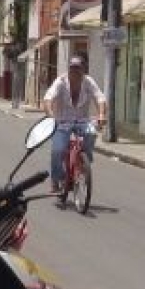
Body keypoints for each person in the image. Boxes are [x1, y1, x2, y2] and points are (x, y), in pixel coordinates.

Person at [43, 56, 108, 192]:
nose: (75, 72)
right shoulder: (61, 82)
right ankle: (57, 179)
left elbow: (100, 98)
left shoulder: (88, 82)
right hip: (62, 122)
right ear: (68, 69)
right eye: (72, 68)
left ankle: (84, 160)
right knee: (57, 151)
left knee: (91, 132)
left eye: (78, 68)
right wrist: (50, 115)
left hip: (83, 121)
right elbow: (48, 98)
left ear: (83, 70)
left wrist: (101, 114)